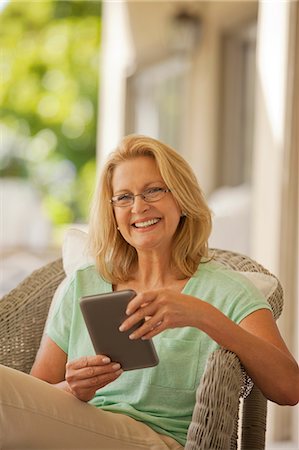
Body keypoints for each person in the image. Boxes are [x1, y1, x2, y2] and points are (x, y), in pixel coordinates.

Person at [1, 134, 298, 449]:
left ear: (181, 200)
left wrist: (203, 316)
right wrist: (73, 389)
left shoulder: (227, 289)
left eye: (154, 191)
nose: (139, 207)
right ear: (113, 214)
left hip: (156, 440)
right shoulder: (85, 283)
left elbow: (289, 388)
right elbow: (31, 399)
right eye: (124, 197)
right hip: (78, 426)